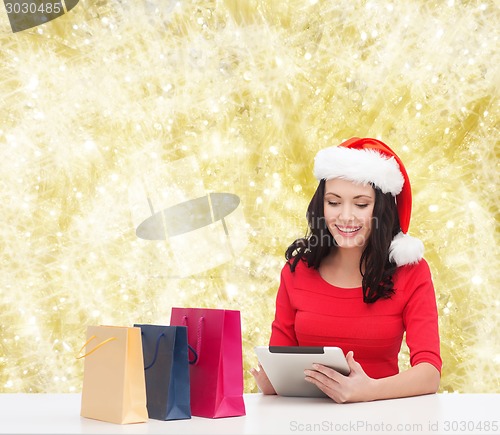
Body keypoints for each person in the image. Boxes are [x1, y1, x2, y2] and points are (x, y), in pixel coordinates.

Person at [250, 137, 442, 403]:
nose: (345, 216)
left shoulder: (411, 272)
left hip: (381, 418)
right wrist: (272, 382)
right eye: (334, 202)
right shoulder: (297, 271)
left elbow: (429, 374)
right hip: (302, 421)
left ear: (380, 209)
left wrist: (366, 391)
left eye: (361, 204)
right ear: (321, 205)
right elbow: (280, 358)